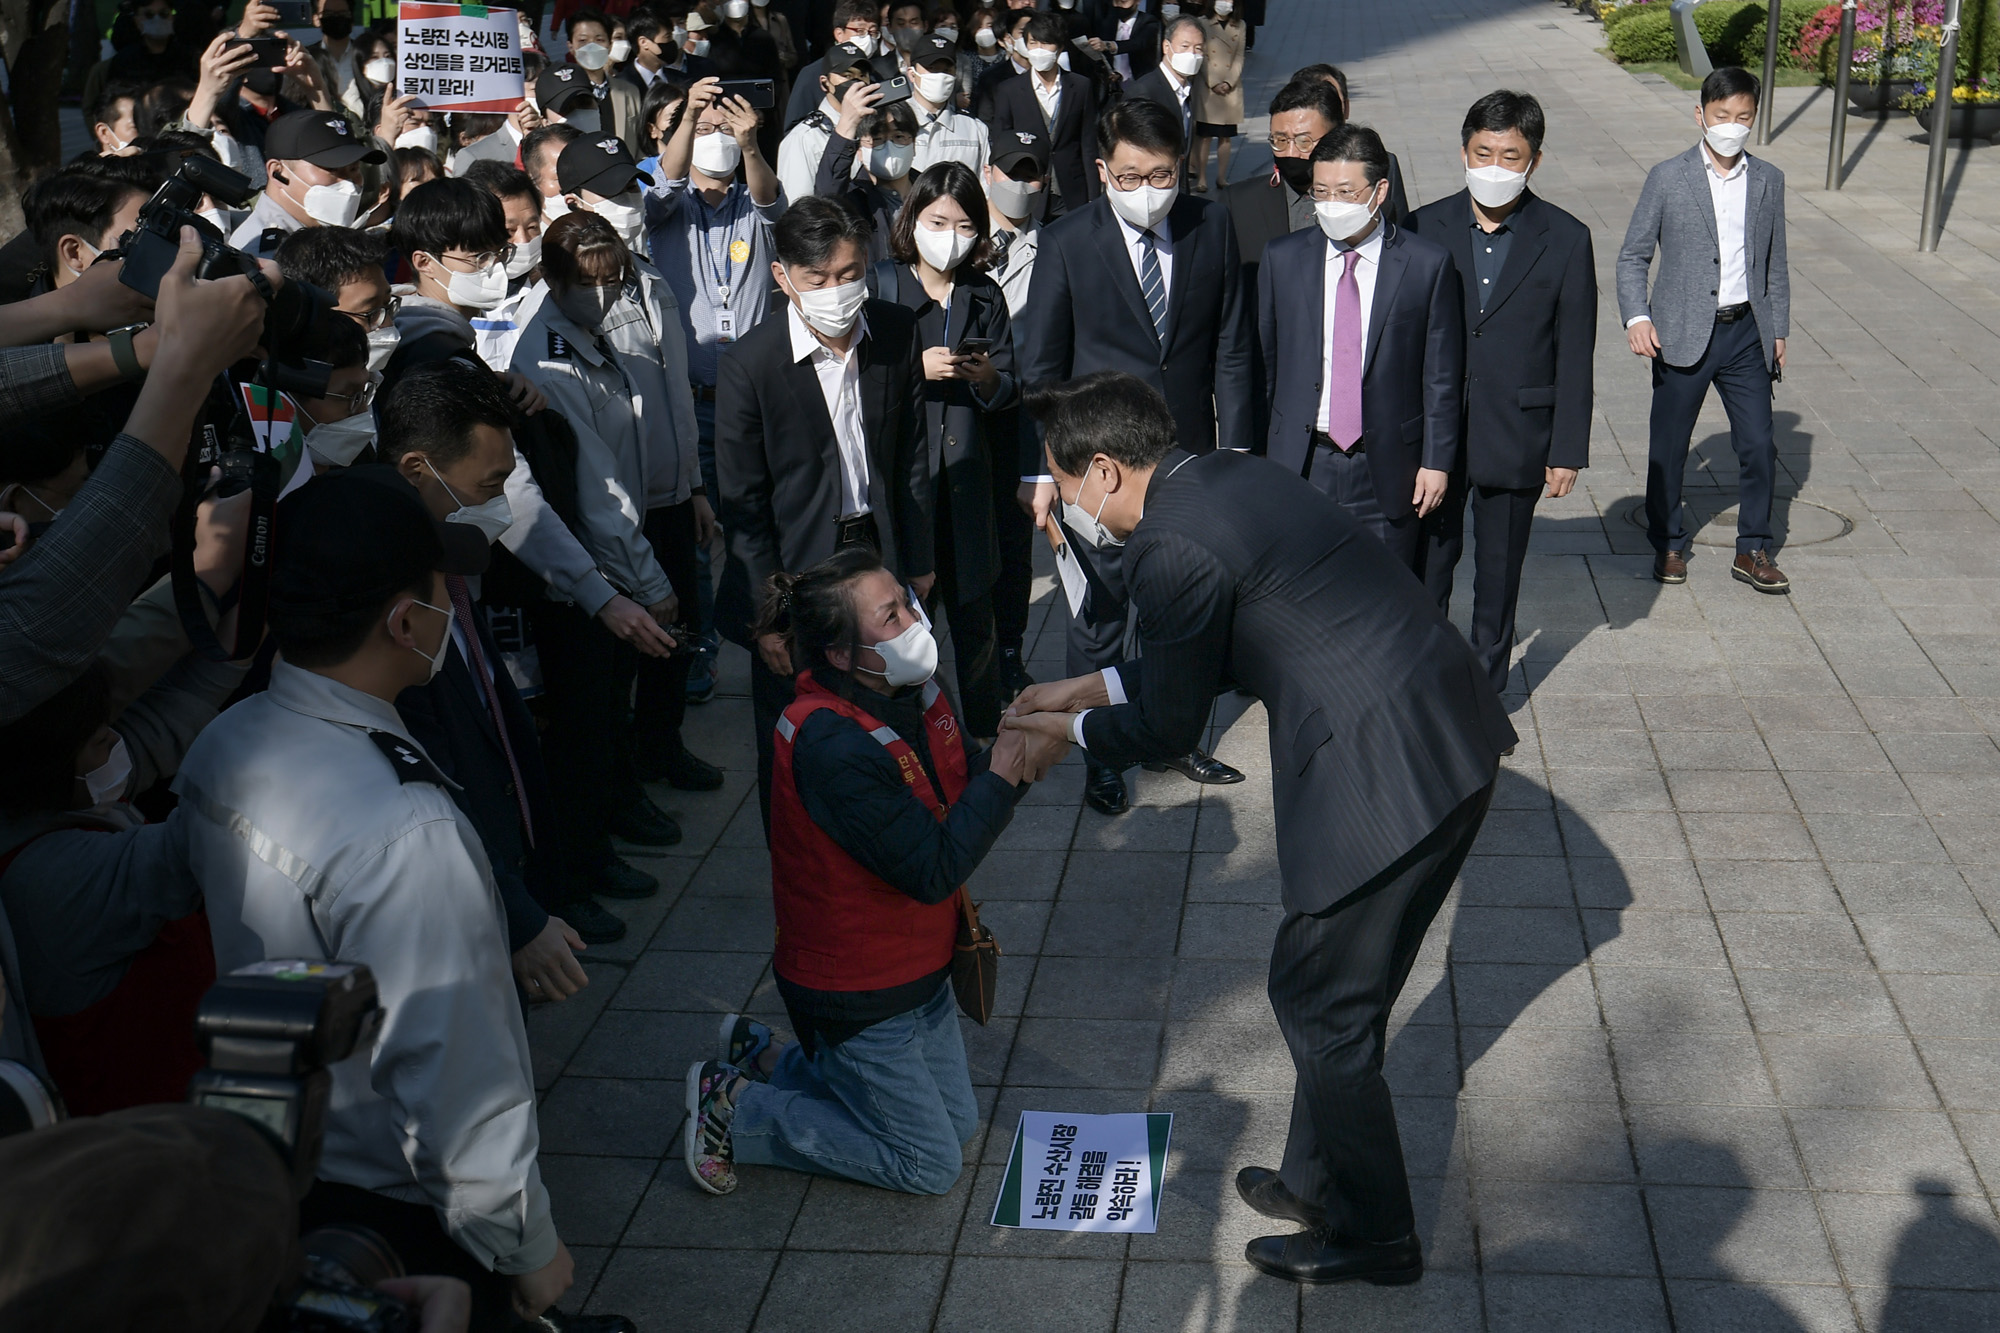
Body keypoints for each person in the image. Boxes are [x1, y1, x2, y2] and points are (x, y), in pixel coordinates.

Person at [1002, 372, 1515, 1288]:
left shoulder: (1168, 545)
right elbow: (1193, 651)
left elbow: (1168, 723)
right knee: (1337, 993)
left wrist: (1063, 731)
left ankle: (1376, 1232)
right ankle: (1320, 1178)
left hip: (1388, 769)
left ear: (1108, 471)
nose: (1067, 508)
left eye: (1066, 484)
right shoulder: (1223, 476)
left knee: (1320, 999)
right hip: (1445, 732)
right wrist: (1075, 690)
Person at [175, 468, 618, 1332]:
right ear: (405, 621)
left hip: (285, 1170)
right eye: (438, 588)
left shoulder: (228, 740)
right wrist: (527, 1247)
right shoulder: (406, 827)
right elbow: (457, 1075)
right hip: (405, 1211)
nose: (452, 604)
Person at [682, 548, 1067, 1196]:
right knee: (930, 1164)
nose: (915, 620)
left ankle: (774, 1058)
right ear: (839, 654)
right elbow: (932, 866)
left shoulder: (913, 692)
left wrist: (1020, 758)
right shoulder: (832, 743)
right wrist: (1006, 770)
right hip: (856, 990)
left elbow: (961, 793)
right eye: (891, 615)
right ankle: (736, 1105)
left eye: (907, 602)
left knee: (962, 1123)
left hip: (918, 965)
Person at [1016, 96, 1250, 816]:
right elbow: (1041, 368)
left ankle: (1171, 734)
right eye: (1130, 175)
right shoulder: (1066, 241)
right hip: (1099, 469)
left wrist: (1236, 447)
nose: (1148, 189)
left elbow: (1232, 348)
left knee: (1182, 610)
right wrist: (1043, 473)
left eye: (1163, 174)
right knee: (1100, 616)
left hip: (1186, 465)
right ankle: (1101, 753)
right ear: (1101, 170)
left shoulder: (1212, 226)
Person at [376, 361, 597, 1003]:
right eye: (490, 484)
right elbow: (433, 793)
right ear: (419, 471)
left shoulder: (453, 583)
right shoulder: (395, 628)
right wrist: (517, 915)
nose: (500, 506)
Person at [712, 195, 932, 826]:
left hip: (877, 549)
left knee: (891, 704)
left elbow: (911, 458)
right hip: (797, 572)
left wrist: (917, 563)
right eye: (819, 279)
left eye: (850, 274)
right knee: (798, 728)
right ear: (783, 277)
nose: (837, 291)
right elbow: (744, 508)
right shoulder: (749, 366)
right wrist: (769, 619)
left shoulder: (893, 330)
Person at [513, 210, 718, 819]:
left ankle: (652, 758)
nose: (604, 292)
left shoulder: (603, 317)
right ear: (551, 277)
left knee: (671, 646)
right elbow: (594, 482)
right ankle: (610, 807)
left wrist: (693, 484)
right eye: (588, 280)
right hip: (602, 544)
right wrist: (644, 577)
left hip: (657, 503)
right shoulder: (544, 352)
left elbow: (671, 397)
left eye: (614, 278)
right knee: (602, 690)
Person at [1407, 91, 1596, 697]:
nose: (1494, 166)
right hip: (1435, 434)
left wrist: (1567, 447)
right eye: (1482, 152)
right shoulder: (1423, 226)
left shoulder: (1566, 237)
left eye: (1509, 155)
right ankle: (1424, 683)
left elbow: (1575, 349)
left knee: (1498, 572)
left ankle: (1484, 696)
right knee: (1429, 565)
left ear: (1533, 161)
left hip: (1518, 432)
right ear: (1463, 152)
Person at [1257, 124, 1463, 574]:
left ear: (1380, 190)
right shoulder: (1283, 259)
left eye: (1347, 192)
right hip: (1304, 461)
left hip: (1389, 467)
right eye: (1321, 192)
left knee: (1387, 601)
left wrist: (1436, 462)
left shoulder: (1426, 264)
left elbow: (1441, 375)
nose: (1332, 205)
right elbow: (1266, 366)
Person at [1618, 65, 1790, 593]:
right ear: (1701, 115)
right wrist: (1637, 315)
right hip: (1682, 332)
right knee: (1669, 446)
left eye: (1743, 117)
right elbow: (1632, 256)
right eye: (1722, 116)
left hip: (1746, 333)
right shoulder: (1667, 177)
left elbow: (1774, 263)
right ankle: (1668, 541)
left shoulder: (1768, 180)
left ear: (1754, 119)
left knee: (1760, 444)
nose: (1732, 126)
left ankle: (1753, 548)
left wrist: (1778, 326)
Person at [647, 75, 786, 708]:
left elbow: (770, 199)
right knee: (699, 536)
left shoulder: (752, 207)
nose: (714, 138)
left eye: (720, 129)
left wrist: (749, 142)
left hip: (754, 395)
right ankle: (700, 648)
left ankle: (772, 629)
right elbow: (667, 184)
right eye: (704, 129)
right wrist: (690, 120)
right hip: (694, 397)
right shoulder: (664, 210)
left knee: (759, 523)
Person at [877, 162, 1016, 738]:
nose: (950, 235)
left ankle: (984, 731)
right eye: (939, 221)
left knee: (975, 619)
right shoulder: (883, 286)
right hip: (905, 483)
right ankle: (911, 736)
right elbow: (859, 376)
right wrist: (916, 367)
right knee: (906, 627)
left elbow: (1010, 384)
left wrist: (984, 378)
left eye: (964, 225)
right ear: (914, 219)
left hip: (967, 482)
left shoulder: (983, 293)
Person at [228, 109, 387, 259]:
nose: (348, 184)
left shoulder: (319, 230)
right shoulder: (264, 253)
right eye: (332, 169)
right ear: (278, 172)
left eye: (354, 169)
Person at [983, 12, 1097, 219]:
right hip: (1026, 188)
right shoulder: (1009, 90)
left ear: (1060, 47)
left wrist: (1094, 194)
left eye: (1046, 43)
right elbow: (1001, 143)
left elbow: (1088, 143)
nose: (1039, 51)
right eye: (1033, 43)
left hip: (1072, 190)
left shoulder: (1081, 86)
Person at [461, 160, 551, 369]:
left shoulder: (552, 291)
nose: (523, 241)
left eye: (532, 227)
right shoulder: (459, 301)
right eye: (509, 232)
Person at [814, 90, 920, 260]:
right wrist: (847, 124)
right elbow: (826, 197)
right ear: (859, 151)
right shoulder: (853, 201)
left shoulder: (933, 192)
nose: (889, 147)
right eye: (877, 139)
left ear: (914, 144)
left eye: (898, 136)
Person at [775, 39, 870, 208]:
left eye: (862, 75)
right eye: (847, 76)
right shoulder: (804, 138)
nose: (856, 82)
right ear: (824, 83)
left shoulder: (877, 128)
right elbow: (798, 210)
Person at [783, 0, 882, 129]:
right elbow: (794, 125)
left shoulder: (877, 74)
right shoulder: (812, 73)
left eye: (872, 32)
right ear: (839, 34)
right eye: (860, 31)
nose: (867, 38)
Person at [562, 9, 647, 153]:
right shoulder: (562, 94)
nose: (592, 46)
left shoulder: (630, 92)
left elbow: (640, 146)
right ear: (570, 46)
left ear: (610, 45)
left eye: (599, 39)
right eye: (582, 41)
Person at [906, 33, 990, 177]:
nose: (940, 76)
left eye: (946, 70)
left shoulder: (974, 128)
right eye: (932, 68)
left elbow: (985, 185)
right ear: (912, 75)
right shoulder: (893, 122)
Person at [1122, 13, 1203, 156]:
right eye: (1185, 46)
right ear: (1166, 47)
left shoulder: (1189, 91)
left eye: (1198, 48)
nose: (1192, 53)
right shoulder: (1144, 90)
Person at [1189, 0, 1243, 192]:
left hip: (1230, 88)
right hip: (1208, 87)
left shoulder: (1240, 24)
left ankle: (1221, 177)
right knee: (1204, 135)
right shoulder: (1202, 23)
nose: (1225, 3)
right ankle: (1201, 176)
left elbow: (1239, 56)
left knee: (1225, 137)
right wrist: (1213, 82)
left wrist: (1229, 82)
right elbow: (1201, 55)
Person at [1091, 0, 1159, 85]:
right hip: (1115, 85)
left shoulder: (1148, 22)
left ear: (1137, 1)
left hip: (1140, 82)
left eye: (1124, 2)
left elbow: (1138, 43)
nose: (1119, 6)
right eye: (1116, 2)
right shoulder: (1108, 23)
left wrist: (1108, 45)